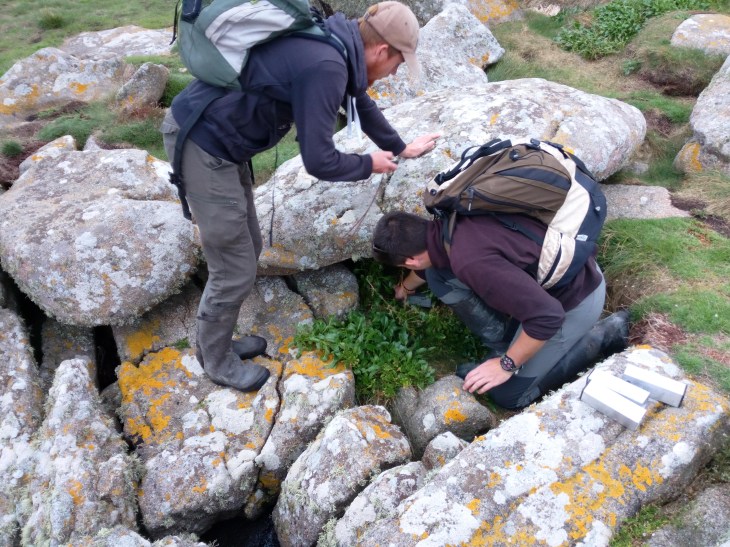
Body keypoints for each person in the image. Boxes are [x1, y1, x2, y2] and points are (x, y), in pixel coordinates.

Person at [161, 1, 440, 392]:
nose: (394, 72)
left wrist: (400, 147)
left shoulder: (336, 44)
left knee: (248, 249)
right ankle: (216, 360)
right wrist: (368, 164)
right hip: (203, 145)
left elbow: (359, 101)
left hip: (221, 142)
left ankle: (217, 344)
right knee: (234, 267)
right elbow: (320, 161)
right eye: (397, 64)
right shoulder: (326, 65)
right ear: (381, 51)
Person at [372, 211, 629, 409]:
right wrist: (405, 288)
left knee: (509, 396)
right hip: (560, 277)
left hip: (575, 300)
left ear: (410, 260)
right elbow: (428, 267)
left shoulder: (472, 263)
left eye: (403, 266)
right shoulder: (452, 221)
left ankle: (606, 333)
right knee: (438, 277)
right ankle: (505, 342)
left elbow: (547, 316)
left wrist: (506, 365)